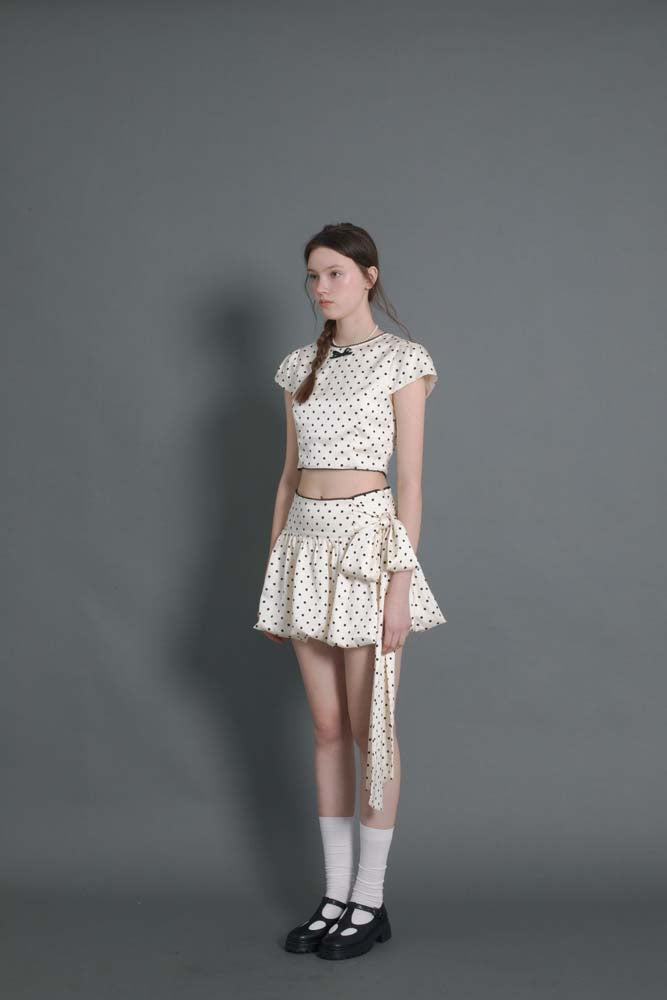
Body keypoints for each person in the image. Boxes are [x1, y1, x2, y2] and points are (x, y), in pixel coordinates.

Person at [253, 222, 447, 960]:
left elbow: (412, 484)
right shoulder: (297, 365)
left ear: (369, 275)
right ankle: (335, 895)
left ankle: (370, 899)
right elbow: (287, 477)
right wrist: (274, 575)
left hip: (368, 547)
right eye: (312, 275)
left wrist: (400, 584)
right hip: (303, 547)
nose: (320, 287)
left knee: (373, 730)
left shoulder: (404, 361)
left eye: (334, 272)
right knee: (327, 728)